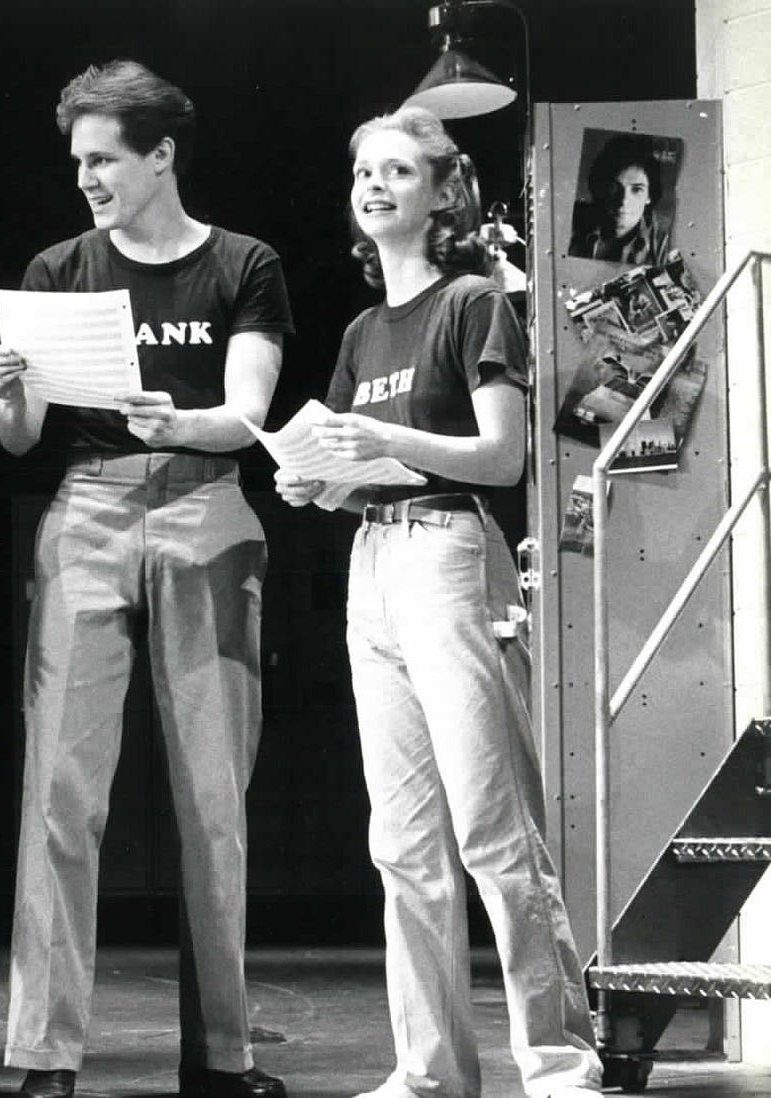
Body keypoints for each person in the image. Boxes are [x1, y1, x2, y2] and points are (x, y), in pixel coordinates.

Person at [0, 60, 292, 1098]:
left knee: (211, 799)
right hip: (90, 503)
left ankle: (222, 1056)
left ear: (161, 157)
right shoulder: (60, 267)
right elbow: (20, 439)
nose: (86, 179)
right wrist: (3, 392)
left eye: (103, 159)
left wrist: (179, 421)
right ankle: (46, 1055)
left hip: (206, 499)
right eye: (77, 162)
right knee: (60, 790)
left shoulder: (242, 262)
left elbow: (246, 409)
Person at [275, 106, 602, 1098]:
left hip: (451, 555)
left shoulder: (469, 304)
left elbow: (501, 456)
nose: (373, 186)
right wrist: (308, 481)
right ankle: (427, 1069)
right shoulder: (360, 330)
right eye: (362, 172)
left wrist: (385, 448)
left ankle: (556, 1062)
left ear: (439, 193)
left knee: (493, 830)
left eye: (396, 171)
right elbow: (342, 468)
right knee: (400, 842)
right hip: (370, 566)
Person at [568, 133, 672, 266]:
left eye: (636, 189)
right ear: (601, 189)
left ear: (649, 196)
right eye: (614, 188)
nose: (623, 201)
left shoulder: (665, 243)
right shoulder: (571, 220)